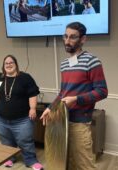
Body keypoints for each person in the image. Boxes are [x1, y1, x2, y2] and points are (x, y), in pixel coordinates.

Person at [40, 22, 108, 170]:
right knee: (65, 163)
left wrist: (77, 99)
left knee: (84, 165)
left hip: (80, 123)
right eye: (65, 36)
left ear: (83, 39)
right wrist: (51, 108)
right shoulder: (65, 64)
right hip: (61, 121)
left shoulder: (92, 61)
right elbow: (63, 93)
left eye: (72, 37)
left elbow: (102, 91)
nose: (67, 41)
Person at [0, 55, 43, 170]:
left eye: (11, 62)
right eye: (6, 63)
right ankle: (9, 158)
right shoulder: (0, 77)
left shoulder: (25, 78)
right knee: (6, 140)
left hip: (22, 119)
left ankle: (31, 160)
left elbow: (33, 93)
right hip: (1, 118)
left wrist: (32, 108)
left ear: (16, 64)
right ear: (3, 66)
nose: (9, 65)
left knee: (25, 140)